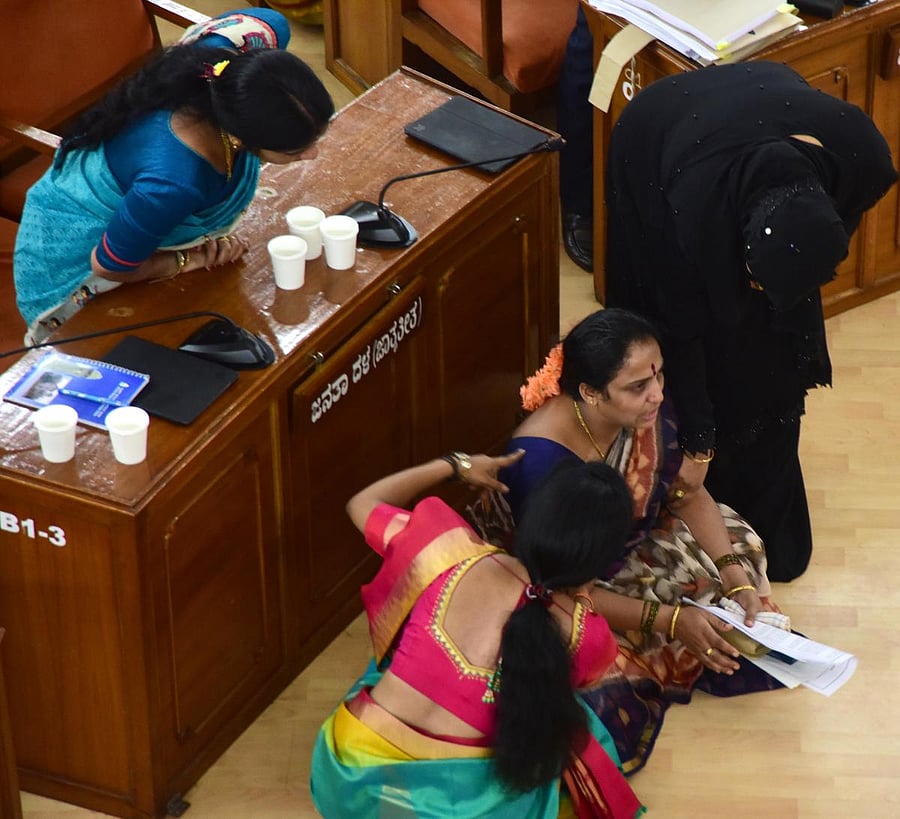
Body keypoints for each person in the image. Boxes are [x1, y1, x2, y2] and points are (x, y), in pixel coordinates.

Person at [604, 61, 898, 581]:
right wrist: (699, 445)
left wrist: (809, 246)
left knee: (774, 344)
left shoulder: (861, 156)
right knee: (710, 335)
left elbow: (840, 214)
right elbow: (681, 332)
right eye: (752, 276)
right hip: (656, 137)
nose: (756, 290)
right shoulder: (689, 217)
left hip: (753, 133)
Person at [495, 308, 786, 774]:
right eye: (639, 387)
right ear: (589, 392)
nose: (657, 395)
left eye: (659, 377)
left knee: (741, 549)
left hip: (630, 543)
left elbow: (686, 495)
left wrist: (731, 574)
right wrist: (671, 621)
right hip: (574, 582)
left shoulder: (637, 409)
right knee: (606, 681)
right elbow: (564, 590)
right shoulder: (545, 464)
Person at [310, 450, 646, 818]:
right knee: (579, 728)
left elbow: (362, 503)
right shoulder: (588, 637)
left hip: (350, 782)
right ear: (599, 561)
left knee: (390, 662)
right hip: (451, 812)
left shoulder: (444, 547)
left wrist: (456, 466)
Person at [13, 9, 334, 344]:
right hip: (81, 272)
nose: (312, 155)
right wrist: (189, 258)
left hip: (139, 219)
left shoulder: (221, 72)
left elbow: (271, 22)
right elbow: (109, 264)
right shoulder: (174, 182)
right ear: (241, 136)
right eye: (296, 151)